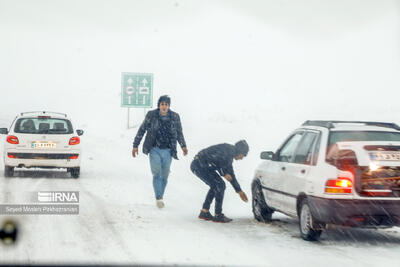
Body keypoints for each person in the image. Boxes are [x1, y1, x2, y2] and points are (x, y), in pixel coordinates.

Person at [132, 95, 188, 208]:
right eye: (162, 104)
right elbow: (142, 129)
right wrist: (135, 145)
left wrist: (183, 146)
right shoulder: (151, 115)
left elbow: (179, 132)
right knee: (157, 173)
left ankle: (160, 195)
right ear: (159, 105)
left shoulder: (175, 117)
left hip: (168, 150)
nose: (164, 106)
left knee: (165, 175)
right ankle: (159, 197)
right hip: (154, 149)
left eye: (166, 104)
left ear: (168, 106)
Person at [190, 140, 249, 223]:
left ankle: (204, 211)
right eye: (243, 155)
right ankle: (218, 215)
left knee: (217, 185)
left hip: (204, 167)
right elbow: (217, 159)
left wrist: (239, 191)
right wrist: (223, 173)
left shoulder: (229, 156)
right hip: (199, 165)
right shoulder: (226, 150)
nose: (242, 158)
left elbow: (231, 175)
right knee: (219, 185)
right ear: (240, 151)